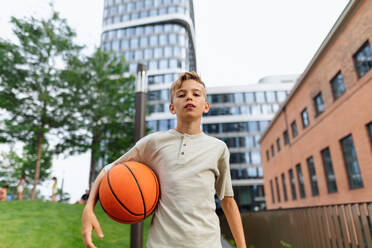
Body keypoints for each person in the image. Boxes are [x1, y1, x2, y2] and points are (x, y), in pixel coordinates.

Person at [82, 72, 247, 248]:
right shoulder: (153, 143)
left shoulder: (218, 148)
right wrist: (89, 208)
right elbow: (109, 170)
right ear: (172, 108)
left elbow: (228, 201)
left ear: (205, 106)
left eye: (196, 94)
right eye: (181, 94)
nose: (189, 97)